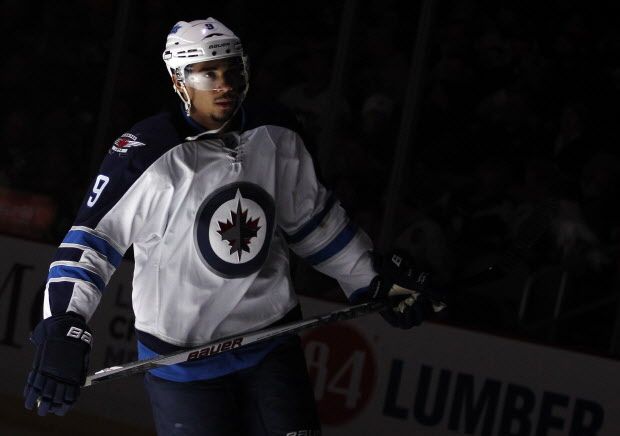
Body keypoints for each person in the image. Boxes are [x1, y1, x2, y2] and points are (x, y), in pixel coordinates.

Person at [23, 18, 440, 435]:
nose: (224, 84)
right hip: (183, 366)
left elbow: (314, 222)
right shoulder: (145, 153)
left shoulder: (275, 133)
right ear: (178, 79)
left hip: (271, 344)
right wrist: (64, 323)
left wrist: (371, 279)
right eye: (208, 72)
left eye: (232, 70)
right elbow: (92, 243)